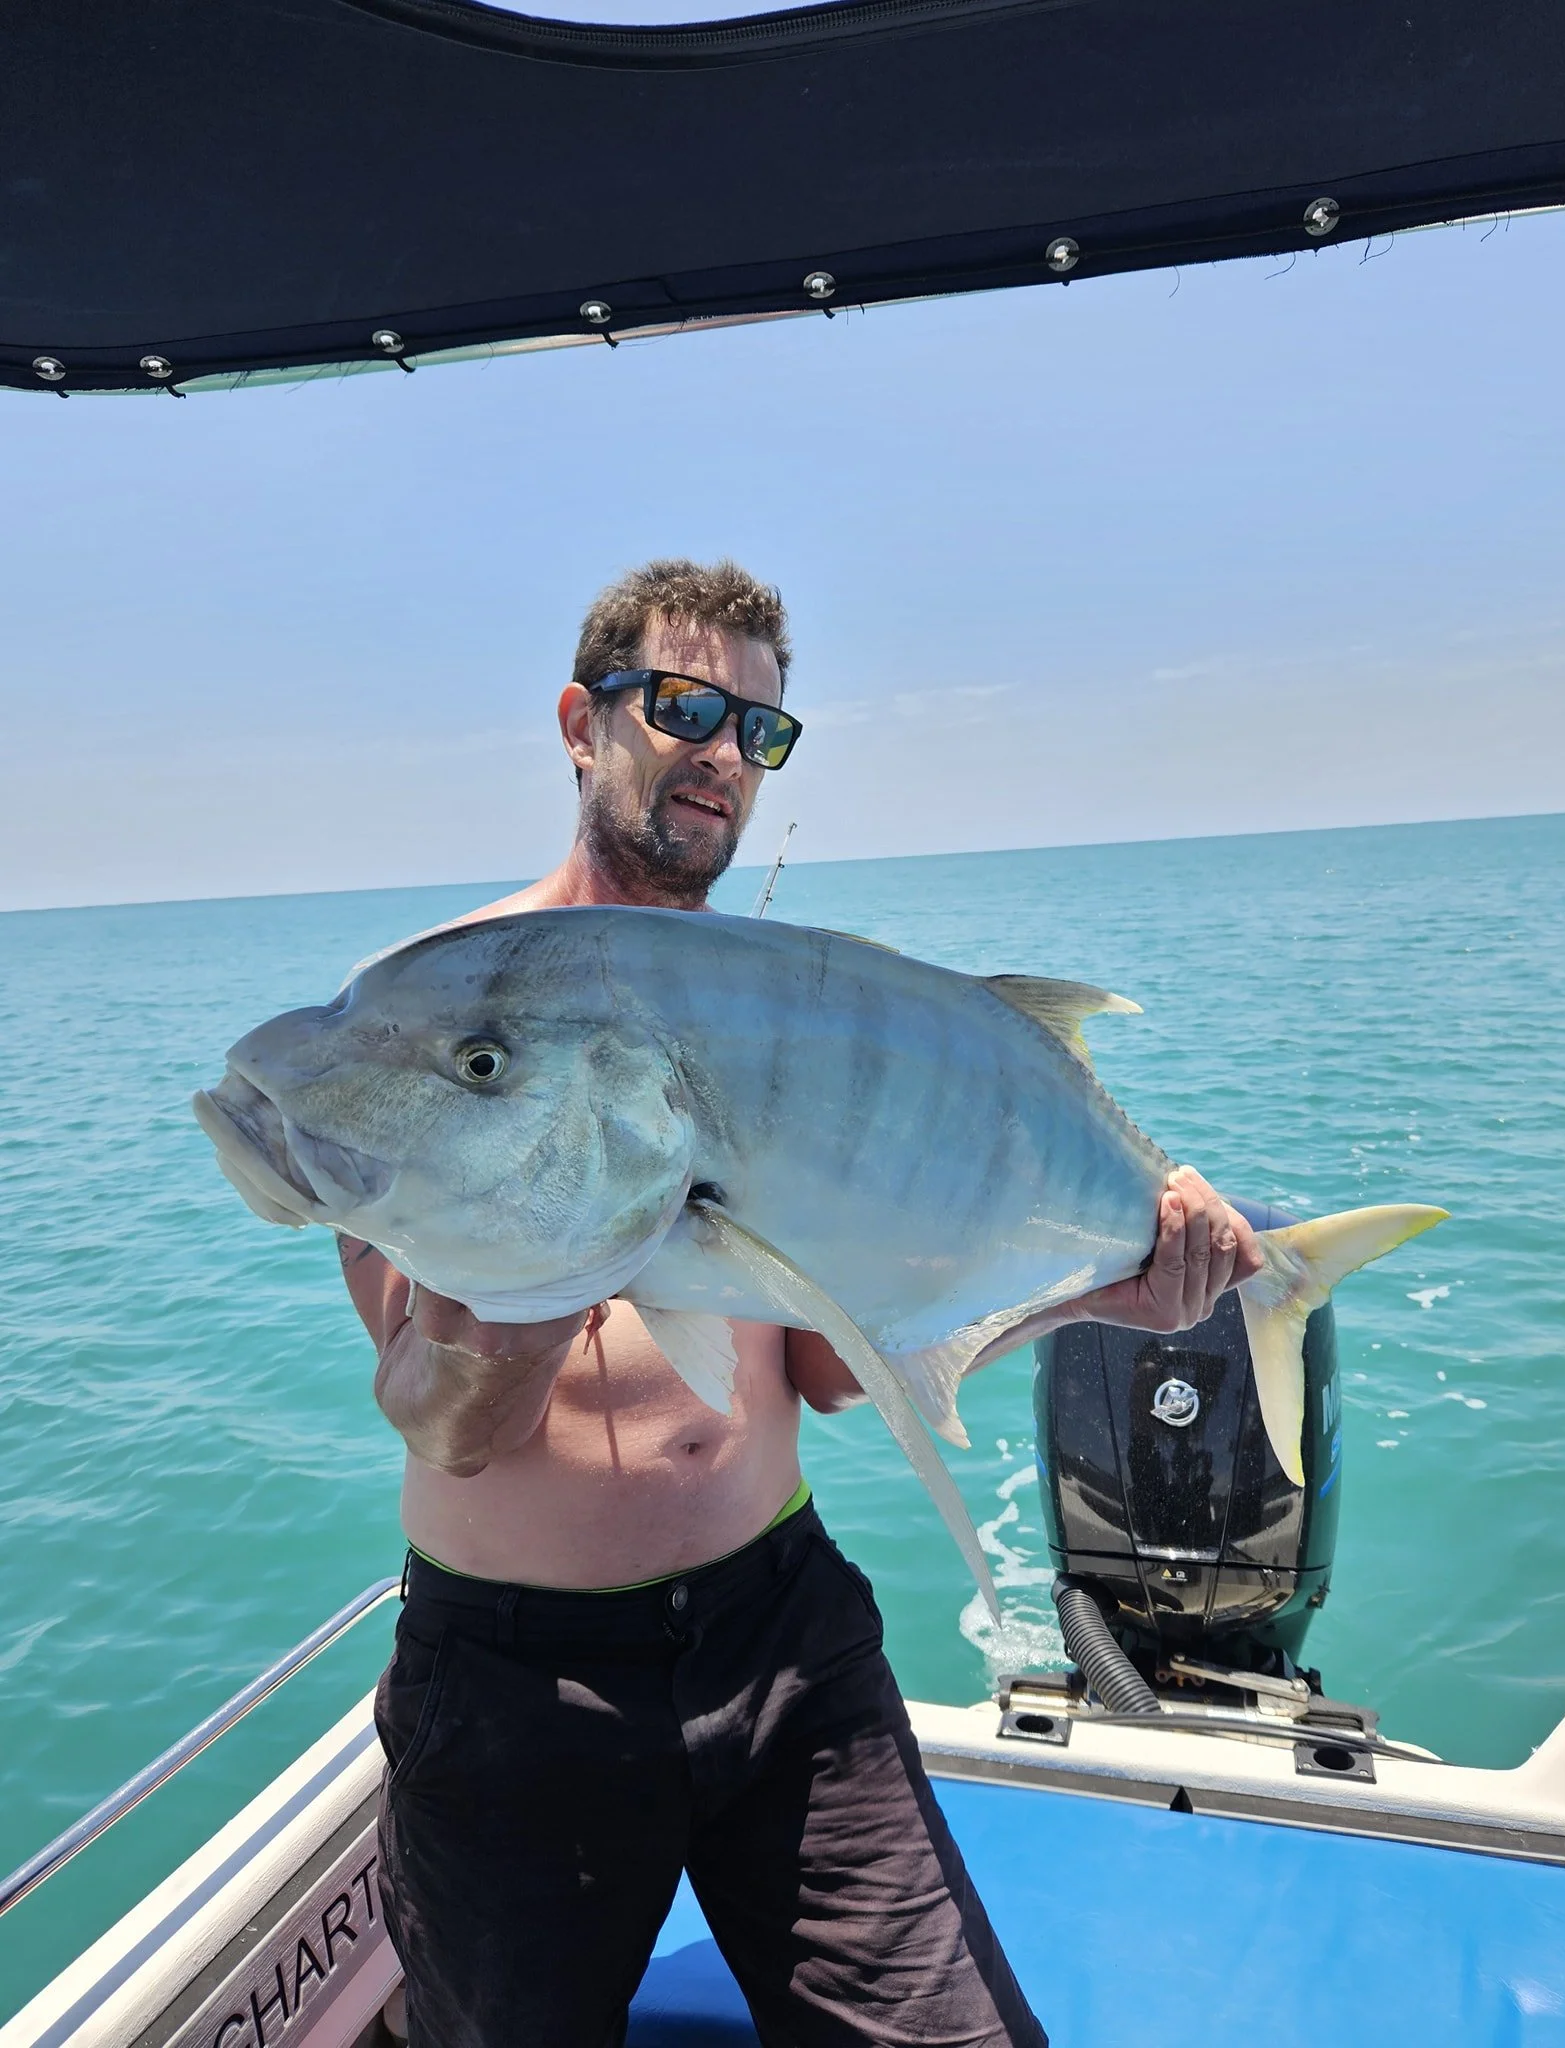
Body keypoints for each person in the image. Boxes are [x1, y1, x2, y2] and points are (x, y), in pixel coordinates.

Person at [340, 559, 1262, 2048]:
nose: (721, 755)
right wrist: (531, 1262)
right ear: (583, 723)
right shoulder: (440, 1018)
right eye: (685, 707)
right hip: (516, 1679)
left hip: (782, 1631)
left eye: (759, 732)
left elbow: (836, 1374)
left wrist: (1110, 1300)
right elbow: (440, 1423)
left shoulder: (797, 1018)